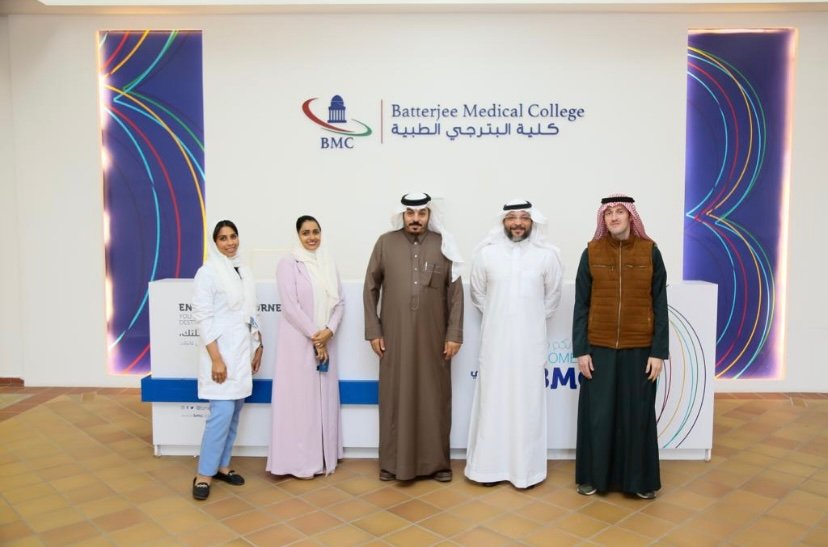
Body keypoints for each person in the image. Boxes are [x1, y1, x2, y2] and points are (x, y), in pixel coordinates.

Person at [363, 192, 464, 482]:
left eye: (421, 213)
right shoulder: (385, 243)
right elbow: (370, 287)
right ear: (403, 215)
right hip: (394, 338)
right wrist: (374, 330)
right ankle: (391, 463)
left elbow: (455, 293)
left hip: (435, 339)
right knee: (394, 397)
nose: (416, 219)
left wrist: (454, 334)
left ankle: (438, 464)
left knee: (434, 397)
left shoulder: (444, 244)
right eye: (410, 213)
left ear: (429, 215)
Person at [573, 194, 668, 499]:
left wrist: (658, 352)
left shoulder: (650, 252)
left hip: (640, 348)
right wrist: (581, 350)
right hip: (598, 348)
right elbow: (581, 305)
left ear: (630, 216)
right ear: (603, 218)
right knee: (598, 416)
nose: (613, 217)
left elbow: (660, 305)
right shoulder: (591, 253)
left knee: (636, 417)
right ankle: (593, 478)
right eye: (608, 213)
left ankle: (639, 482)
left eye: (619, 212)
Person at [465, 199, 564, 489]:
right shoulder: (486, 254)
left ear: (533, 221)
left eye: (523, 217)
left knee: (527, 404)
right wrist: (502, 318)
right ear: (503, 222)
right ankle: (487, 470)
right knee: (492, 402)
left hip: (530, 343)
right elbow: (478, 295)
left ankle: (526, 472)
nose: (518, 223)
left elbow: (552, 299)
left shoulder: (548, 256)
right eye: (511, 217)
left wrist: (526, 320)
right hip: (495, 343)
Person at [267, 215, 345, 478]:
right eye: (306, 233)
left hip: (325, 341)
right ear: (297, 236)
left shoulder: (328, 263)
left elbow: (340, 302)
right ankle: (298, 461)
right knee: (300, 403)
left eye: (315, 232)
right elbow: (291, 307)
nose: (312, 237)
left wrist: (329, 331)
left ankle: (324, 456)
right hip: (298, 343)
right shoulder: (288, 264)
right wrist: (316, 336)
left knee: (323, 401)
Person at [191, 220, 263, 501]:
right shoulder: (207, 273)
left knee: (233, 414)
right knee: (220, 415)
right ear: (215, 242)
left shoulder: (244, 270)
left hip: (242, 352)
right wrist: (216, 359)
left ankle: (222, 466)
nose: (230, 242)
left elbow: (251, 311)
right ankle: (203, 475)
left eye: (233, 236)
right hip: (220, 354)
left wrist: (258, 345)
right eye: (223, 238)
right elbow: (202, 317)